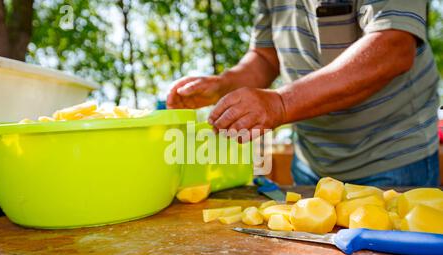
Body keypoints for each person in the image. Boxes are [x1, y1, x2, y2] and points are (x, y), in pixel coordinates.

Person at [167, 0, 440, 186]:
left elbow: (393, 46)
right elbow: (265, 56)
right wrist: (223, 84)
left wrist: (280, 104)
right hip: (311, 163)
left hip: (393, 158)